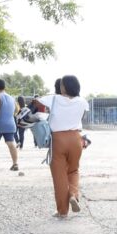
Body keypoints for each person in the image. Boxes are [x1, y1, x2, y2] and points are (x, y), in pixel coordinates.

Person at [38, 75, 89, 219]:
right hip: (76, 138)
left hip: (58, 140)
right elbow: (82, 117)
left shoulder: (54, 98)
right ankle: (73, 195)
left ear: (63, 87)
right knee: (73, 170)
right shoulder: (83, 102)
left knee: (59, 176)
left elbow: (37, 101)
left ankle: (62, 211)